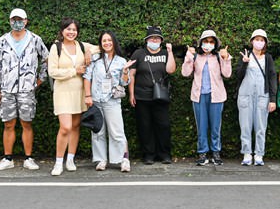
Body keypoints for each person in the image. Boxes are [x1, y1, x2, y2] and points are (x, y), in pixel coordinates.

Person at [0, 8, 49, 172]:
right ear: (9, 21)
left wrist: (39, 79)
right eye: (14, 19)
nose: (17, 22)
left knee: (26, 123)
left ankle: (28, 158)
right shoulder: (2, 41)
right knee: (8, 124)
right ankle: (7, 158)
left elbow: (46, 59)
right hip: (7, 89)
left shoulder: (35, 39)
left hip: (27, 90)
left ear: (26, 21)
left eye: (20, 19)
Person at [47, 18, 99, 176]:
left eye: (74, 30)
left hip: (79, 91)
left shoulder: (82, 46)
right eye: (68, 29)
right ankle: (58, 162)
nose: (71, 32)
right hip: (62, 92)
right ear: (62, 30)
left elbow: (102, 47)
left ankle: (70, 159)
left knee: (76, 126)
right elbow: (52, 71)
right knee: (65, 127)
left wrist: (89, 52)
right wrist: (74, 71)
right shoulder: (56, 47)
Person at [83, 31, 136, 172]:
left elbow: (124, 83)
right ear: (100, 43)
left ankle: (123, 159)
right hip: (96, 100)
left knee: (117, 131)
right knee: (98, 132)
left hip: (112, 100)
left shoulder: (121, 61)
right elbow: (87, 77)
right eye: (104, 41)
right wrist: (88, 96)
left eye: (109, 40)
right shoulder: (94, 59)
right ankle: (101, 159)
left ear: (114, 42)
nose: (107, 43)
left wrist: (125, 71)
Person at [182, 29, 232, 166]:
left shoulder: (218, 56)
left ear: (215, 44)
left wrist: (226, 58)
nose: (208, 44)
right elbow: (185, 73)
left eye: (211, 42)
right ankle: (202, 153)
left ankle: (216, 152)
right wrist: (188, 57)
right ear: (201, 43)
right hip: (199, 96)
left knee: (216, 126)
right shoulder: (196, 57)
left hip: (216, 96)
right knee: (201, 125)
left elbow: (227, 74)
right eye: (206, 41)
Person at [128, 26, 176, 165]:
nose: (154, 40)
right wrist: (131, 94)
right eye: (152, 38)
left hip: (160, 96)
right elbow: (132, 74)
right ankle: (148, 154)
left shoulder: (165, 53)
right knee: (145, 126)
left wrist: (170, 52)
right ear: (147, 40)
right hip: (141, 96)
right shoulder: (138, 53)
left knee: (163, 125)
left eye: (157, 38)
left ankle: (164, 154)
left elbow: (171, 70)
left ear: (161, 41)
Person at [236, 29, 278, 166]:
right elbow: (238, 76)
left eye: (262, 40)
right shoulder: (245, 55)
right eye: (256, 39)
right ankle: (247, 153)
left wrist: (272, 99)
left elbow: (272, 78)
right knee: (245, 125)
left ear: (265, 43)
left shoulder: (268, 58)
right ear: (252, 41)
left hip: (262, 95)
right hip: (245, 95)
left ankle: (259, 154)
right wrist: (244, 63)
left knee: (261, 126)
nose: (259, 42)